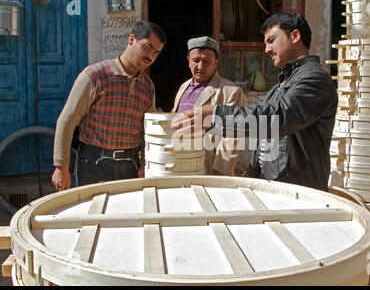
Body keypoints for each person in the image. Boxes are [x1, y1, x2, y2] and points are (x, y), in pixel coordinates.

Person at [172, 12, 337, 191]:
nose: (266, 49)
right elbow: (259, 119)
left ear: (295, 36)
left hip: (296, 189)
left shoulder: (314, 79)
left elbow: (276, 118)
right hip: (275, 186)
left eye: (271, 40)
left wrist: (216, 115)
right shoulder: (282, 85)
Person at [52, 20, 167, 191]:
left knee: (127, 215)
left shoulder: (148, 86)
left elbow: (147, 130)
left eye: (156, 53)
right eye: (148, 47)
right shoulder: (95, 76)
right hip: (94, 164)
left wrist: (145, 164)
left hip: (130, 166)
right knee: (93, 215)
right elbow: (67, 120)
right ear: (131, 39)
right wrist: (61, 167)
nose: (151, 56)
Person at [172, 36, 245, 175]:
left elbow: (232, 135)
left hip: (207, 168)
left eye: (206, 61)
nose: (200, 66)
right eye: (196, 60)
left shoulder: (231, 91)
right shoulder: (184, 87)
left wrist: (221, 173)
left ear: (216, 62)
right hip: (180, 162)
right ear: (188, 61)